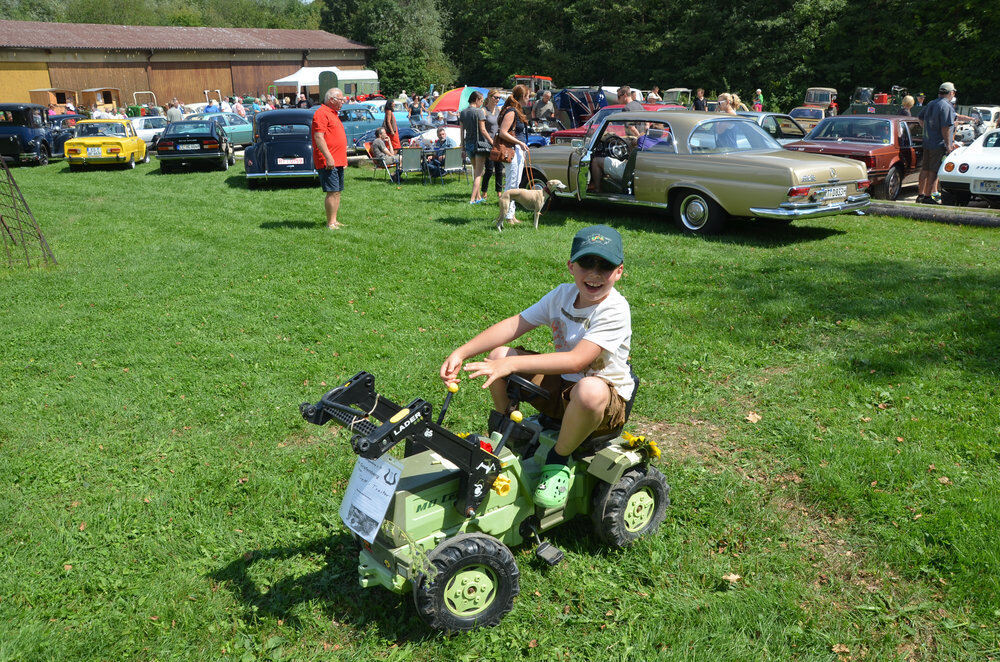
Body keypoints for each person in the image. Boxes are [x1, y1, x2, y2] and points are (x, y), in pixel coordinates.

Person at [440, 224, 633, 508]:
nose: (594, 273)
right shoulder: (562, 295)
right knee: (497, 356)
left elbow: (577, 360)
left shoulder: (614, 309)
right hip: (563, 388)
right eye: (586, 263)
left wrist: (512, 364)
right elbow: (515, 325)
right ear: (570, 266)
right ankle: (508, 431)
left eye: (604, 266)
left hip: (604, 403)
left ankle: (558, 461)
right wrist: (463, 351)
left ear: (619, 271)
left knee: (589, 389)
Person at [311, 87, 348, 229]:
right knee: (332, 191)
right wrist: (329, 158)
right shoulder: (321, 113)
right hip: (328, 161)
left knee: (337, 190)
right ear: (331, 100)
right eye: (341, 99)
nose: (343, 102)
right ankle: (330, 223)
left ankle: (334, 220)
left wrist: (342, 159)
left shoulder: (333, 113)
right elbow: (318, 137)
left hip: (338, 160)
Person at [916, 82, 958, 204]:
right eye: (953, 92)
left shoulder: (931, 103)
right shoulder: (947, 106)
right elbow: (945, 128)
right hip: (938, 144)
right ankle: (928, 197)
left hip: (928, 142)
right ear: (951, 93)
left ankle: (920, 195)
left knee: (925, 168)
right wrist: (949, 145)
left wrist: (928, 130)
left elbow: (920, 118)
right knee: (933, 171)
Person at [497, 85, 531, 224]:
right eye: (528, 96)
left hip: (518, 149)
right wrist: (520, 143)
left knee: (515, 184)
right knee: (512, 184)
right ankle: (508, 216)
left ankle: (511, 215)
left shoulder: (516, 110)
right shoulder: (511, 111)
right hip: (512, 150)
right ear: (522, 97)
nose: (529, 99)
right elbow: (502, 132)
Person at [460, 90, 492, 203]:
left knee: (476, 171)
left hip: (468, 144)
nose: (482, 103)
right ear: (477, 99)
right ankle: (472, 199)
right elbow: (483, 130)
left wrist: (462, 147)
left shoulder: (463, 112)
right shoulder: (479, 112)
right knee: (479, 173)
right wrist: (492, 141)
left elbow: (461, 131)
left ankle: (478, 197)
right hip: (479, 144)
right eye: (481, 101)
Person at [481, 89, 505, 199]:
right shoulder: (484, 111)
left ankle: (499, 192)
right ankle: (484, 191)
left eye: (499, 97)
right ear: (490, 97)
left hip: (498, 142)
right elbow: (483, 130)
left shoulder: (499, 110)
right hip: (488, 143)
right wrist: (491, 142)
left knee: (499, 169)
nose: (498, 99)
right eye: (496, 97)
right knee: (489, 169)